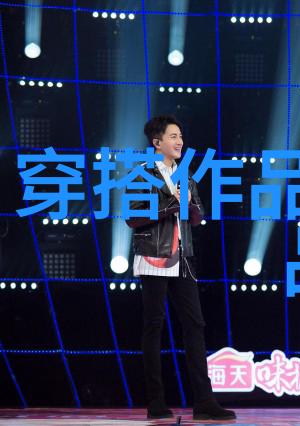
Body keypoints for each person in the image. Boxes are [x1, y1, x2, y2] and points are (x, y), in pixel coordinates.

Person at [125, 115, 235, 421]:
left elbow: (197, 218)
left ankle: (204, 402)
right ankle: (156, 402)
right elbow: (132, 217)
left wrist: (191, 206)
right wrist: (172, 204)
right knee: (154, 326)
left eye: (181, 137)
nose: (180, 142)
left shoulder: (185, 176)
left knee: (195, 325)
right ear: (157, 142)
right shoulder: (141, 175)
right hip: (154, 256)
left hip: (184, 259)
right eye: (173, 136)